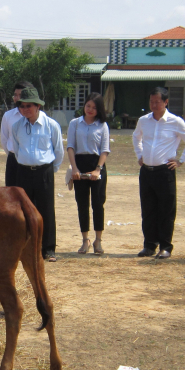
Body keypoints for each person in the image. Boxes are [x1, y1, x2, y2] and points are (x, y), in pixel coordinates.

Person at [132, 87, 185, 260]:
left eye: (157, 102)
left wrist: (181, 160)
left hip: (165, 172)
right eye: (151, 101)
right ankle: (149, 245)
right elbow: (135, 137)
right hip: (147, 171)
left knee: (166, 211)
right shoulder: (143, 121)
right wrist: (140, 155)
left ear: (166, 102)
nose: (154, 105)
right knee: (148, 210)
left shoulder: (175, 122)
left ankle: (165, 246)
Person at [10, 87, 64, 261]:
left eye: (29, 105)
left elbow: (58, 151)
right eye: (22, 106)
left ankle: (48, 249)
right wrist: (26, 163)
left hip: (44, 171)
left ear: (38, 106)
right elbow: (16, 150)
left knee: (46, 210)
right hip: (24, 171)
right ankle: (26, 247)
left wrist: (50, 170)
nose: (25, 109)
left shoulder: (51, 125)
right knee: (24, 210)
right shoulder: (17, 126)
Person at [65, 93, 110, 255]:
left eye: (95, 107)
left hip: (97, 164)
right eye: (88, 106)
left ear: (99, 110)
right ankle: (85, 240)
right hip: (79, 164)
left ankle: (98, 240)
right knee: (82, 204)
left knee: (98, 203)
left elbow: (105, 149)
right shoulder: (75, 123)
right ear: (84, 106)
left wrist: (98, 169)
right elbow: (70, 146)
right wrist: (75, 169)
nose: (90, 109)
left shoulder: (102, 125)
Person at [0, 81, 35, 187]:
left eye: (21, 95)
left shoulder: (38, 117)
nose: (17, 98)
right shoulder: (8, 116)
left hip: (32, 162)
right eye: (15, 95)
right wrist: (13, 155)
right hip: (13, 161)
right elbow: (4, 139)